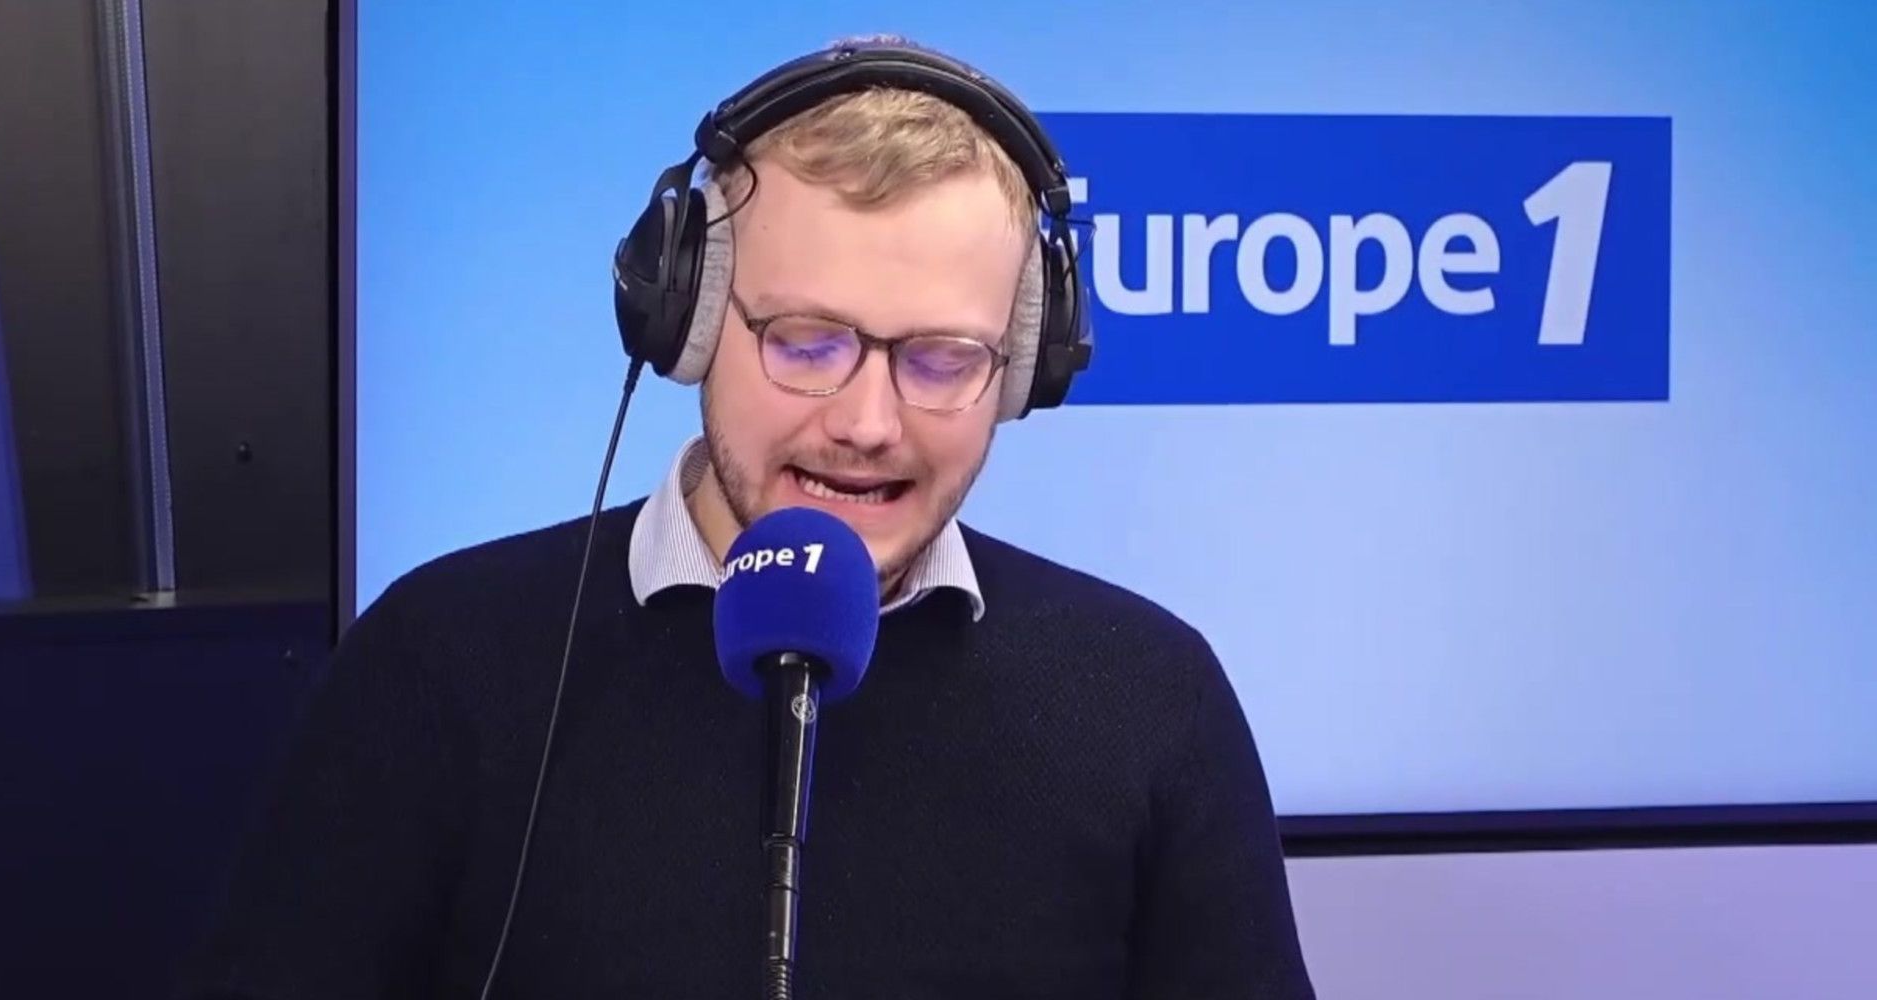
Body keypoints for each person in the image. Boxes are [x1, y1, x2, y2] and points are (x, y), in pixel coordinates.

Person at [179, 36, 1315, 1000]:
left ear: (1021, 369)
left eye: (939, 359)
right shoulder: (437, 660)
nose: (866, 422)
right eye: (806, 342)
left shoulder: (1147, 699)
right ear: (686, 321)